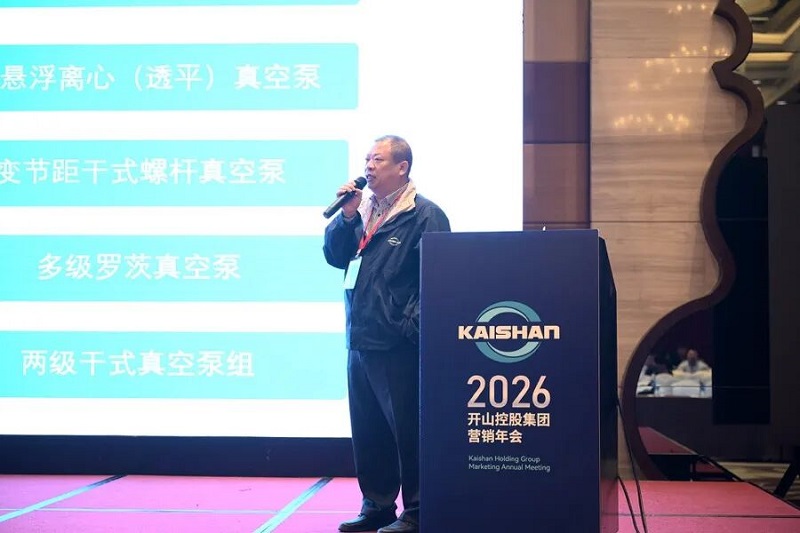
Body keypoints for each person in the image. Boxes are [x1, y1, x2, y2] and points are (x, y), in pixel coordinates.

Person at [323, 135, 451, 533]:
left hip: (397, 343)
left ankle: (418, 511)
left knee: (408, 432)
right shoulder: (362, 211)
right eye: (367, 159)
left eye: (378, 159)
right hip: (360, 337)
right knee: (369, 431)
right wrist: (346, 217)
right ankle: (377, 506)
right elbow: (335, 257)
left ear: (402, 167)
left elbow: (438, 280)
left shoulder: (424, 215)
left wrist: (408, 327)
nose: (368, 166)